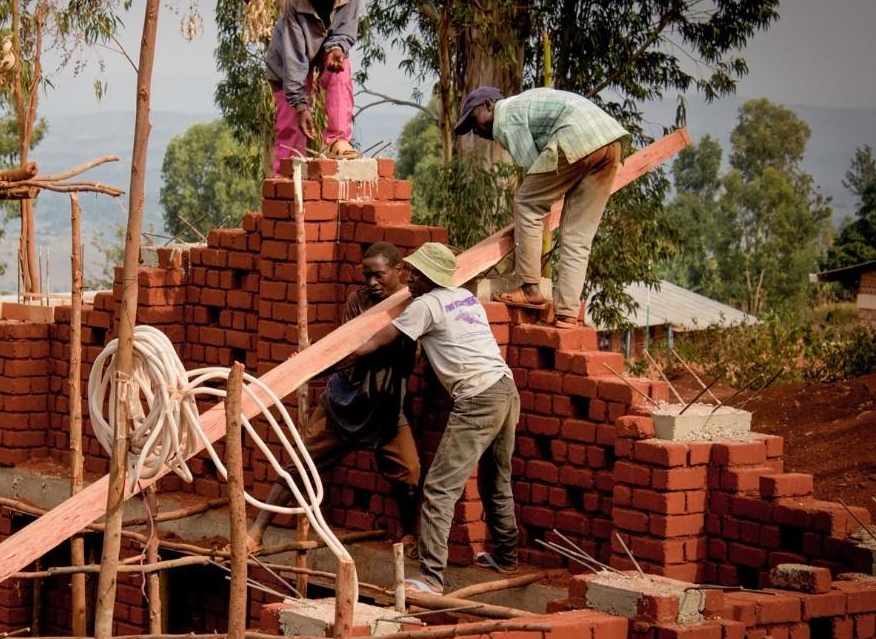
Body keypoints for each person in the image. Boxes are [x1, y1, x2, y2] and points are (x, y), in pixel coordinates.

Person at [349, 243, 520, 592]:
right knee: (496, 480)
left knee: (439, 489)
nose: (409, 278)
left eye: (415, 273)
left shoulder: (424, 305)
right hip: (505, 390)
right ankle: (506, 557)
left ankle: (430, 576)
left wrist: (332, 357)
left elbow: (381, 340)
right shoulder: (465, 297)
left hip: (477, 400)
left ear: (429, 277)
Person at [246, 243, 421, 553]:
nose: (372, 283)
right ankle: (256, 531)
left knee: (408, 471)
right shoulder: (358, 301)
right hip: (345, 399)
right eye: (367, 275)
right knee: (299, 462)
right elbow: (352, 350)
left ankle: (408, 534)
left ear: (399, 271)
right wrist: (311, 365)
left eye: (379, 275)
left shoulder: (416, 304)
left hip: (385, 403)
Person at [455, 87, 628, 328]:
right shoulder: (524, 104)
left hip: (577, 137)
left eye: (473, 121)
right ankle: (567, 313)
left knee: (527, 203)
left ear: (488, 104)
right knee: (578, 236)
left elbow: (531, 167)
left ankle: (529, 289)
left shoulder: (505, 115)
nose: (477, 131)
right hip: (609, 141)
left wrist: (533, 216)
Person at [264, 0, 362, 168]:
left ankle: (338, 141)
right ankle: (287, 174)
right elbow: (294, 56)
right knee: (291, 126)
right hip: (287, 59)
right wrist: (300, 105)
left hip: (326, 50)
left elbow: (347, 28)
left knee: (341, 68)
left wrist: (337, 48)